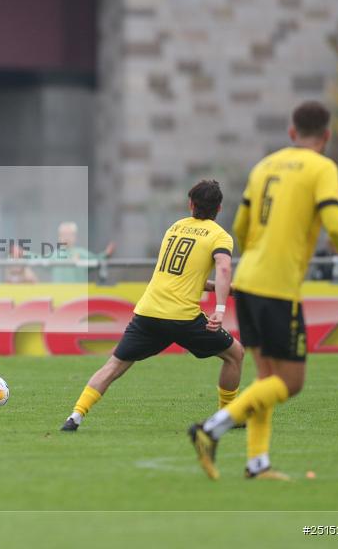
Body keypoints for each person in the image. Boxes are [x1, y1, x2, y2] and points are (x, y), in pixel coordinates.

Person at [189, 101, 338, 481]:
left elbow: (241, 224)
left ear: (291, 133)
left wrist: (260, 252)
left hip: (250, 279)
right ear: (326, 136)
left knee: (266, 376)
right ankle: (212, 429)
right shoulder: (323, 168)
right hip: (276, 286)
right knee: (291, 382)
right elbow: (336, 227)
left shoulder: (264, 166)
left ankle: (257, 463)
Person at [61, 180, 244, 432]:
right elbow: (224, 267)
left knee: (113, 366)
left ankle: (75, 416)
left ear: (191, 204)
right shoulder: (219, 236)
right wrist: (221, 309)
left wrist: (212, 286)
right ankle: (227, 416)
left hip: (148, 312)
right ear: (219, 208)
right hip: (182, 318)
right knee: (235, 354)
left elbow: (178, 274)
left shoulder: (175, 228)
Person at [51, 222, 115, 283]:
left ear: (75, 237)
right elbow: (41, 261)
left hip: (79, 292)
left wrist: (106, 253)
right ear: (59, 236)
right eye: (64, 234)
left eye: (70, 234)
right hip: (59, 293)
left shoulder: (82, 254)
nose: (67, 237)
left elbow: (97, 259)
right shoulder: (54, 255)